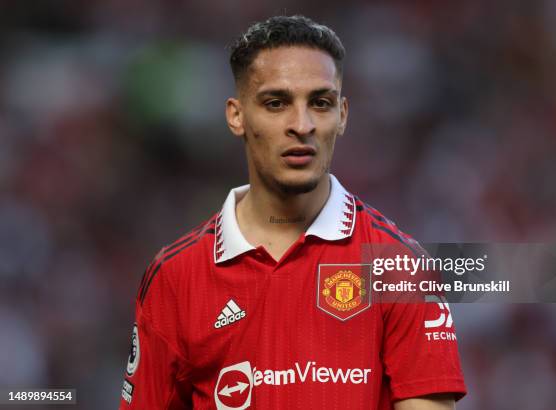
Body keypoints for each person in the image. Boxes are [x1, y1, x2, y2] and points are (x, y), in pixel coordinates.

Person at [119, 15, 466, 410]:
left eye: (320, 103)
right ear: (237, 116)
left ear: (343, 115)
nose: (301, 125)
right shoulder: (176, 278)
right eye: (276, 103)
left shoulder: (400, 267)